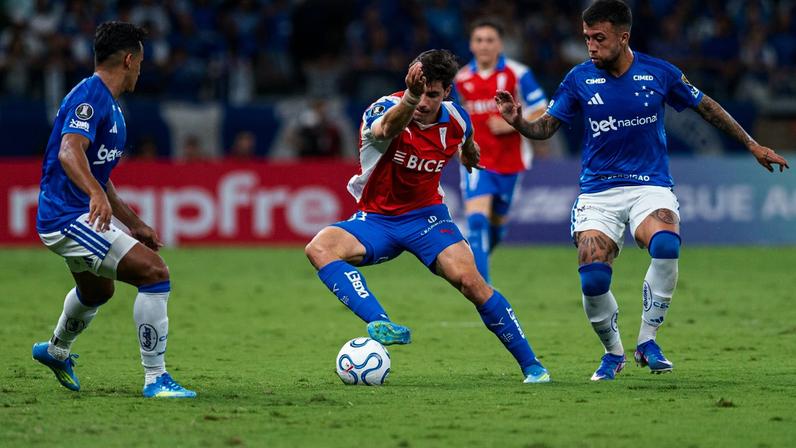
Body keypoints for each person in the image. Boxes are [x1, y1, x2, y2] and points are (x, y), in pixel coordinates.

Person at [494, 0, 789, 381]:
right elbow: (546, 127)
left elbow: (708, 107)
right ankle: (613, 353)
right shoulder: (579, 79)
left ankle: (647, 342)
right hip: (598, 192)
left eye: (599, 38)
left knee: (667, 244)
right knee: (594, 278)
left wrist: (751, 144)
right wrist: (519, 122)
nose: (591, 46)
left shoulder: (660, 73)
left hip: (649, 185)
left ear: (623, 36)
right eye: (587, 38)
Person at [305, 49, 551, 384]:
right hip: (376, 219)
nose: (423, 102)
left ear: (447, 92)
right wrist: (410, 97)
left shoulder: (457, 119)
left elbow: (466, 138)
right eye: (418, 92)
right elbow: (383, 131)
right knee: (319, 248)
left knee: (472, 283)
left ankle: (533, 366)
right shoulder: (386, 108)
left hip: (427, 219)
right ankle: (380, 321)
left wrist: (469, 154)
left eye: (432, 95)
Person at [32, 21, 196, 398]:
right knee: (155, 273)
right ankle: (157, 379)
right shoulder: (89, 98)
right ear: (128, 59)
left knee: (97, 291)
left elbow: (98, 172)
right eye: (140, 61)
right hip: (66, 216)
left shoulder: (110, 105)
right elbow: (69, 151)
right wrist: (94, 195)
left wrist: (134, 223)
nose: (141, 68)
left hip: (74, 212)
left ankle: (56, 350)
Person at [453, 19, 548, 283]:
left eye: (490, 40)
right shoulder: (461, 78)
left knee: (496, 225)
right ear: (471, 45)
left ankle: (483, 256)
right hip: (476, 161)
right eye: (479, 40)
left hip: (510, 161)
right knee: (477, 222)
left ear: (500, 45)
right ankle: (484, 291)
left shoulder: (518, 74)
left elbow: (542, 107)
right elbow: (453, 116)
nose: (484, 45)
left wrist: (514, 123)